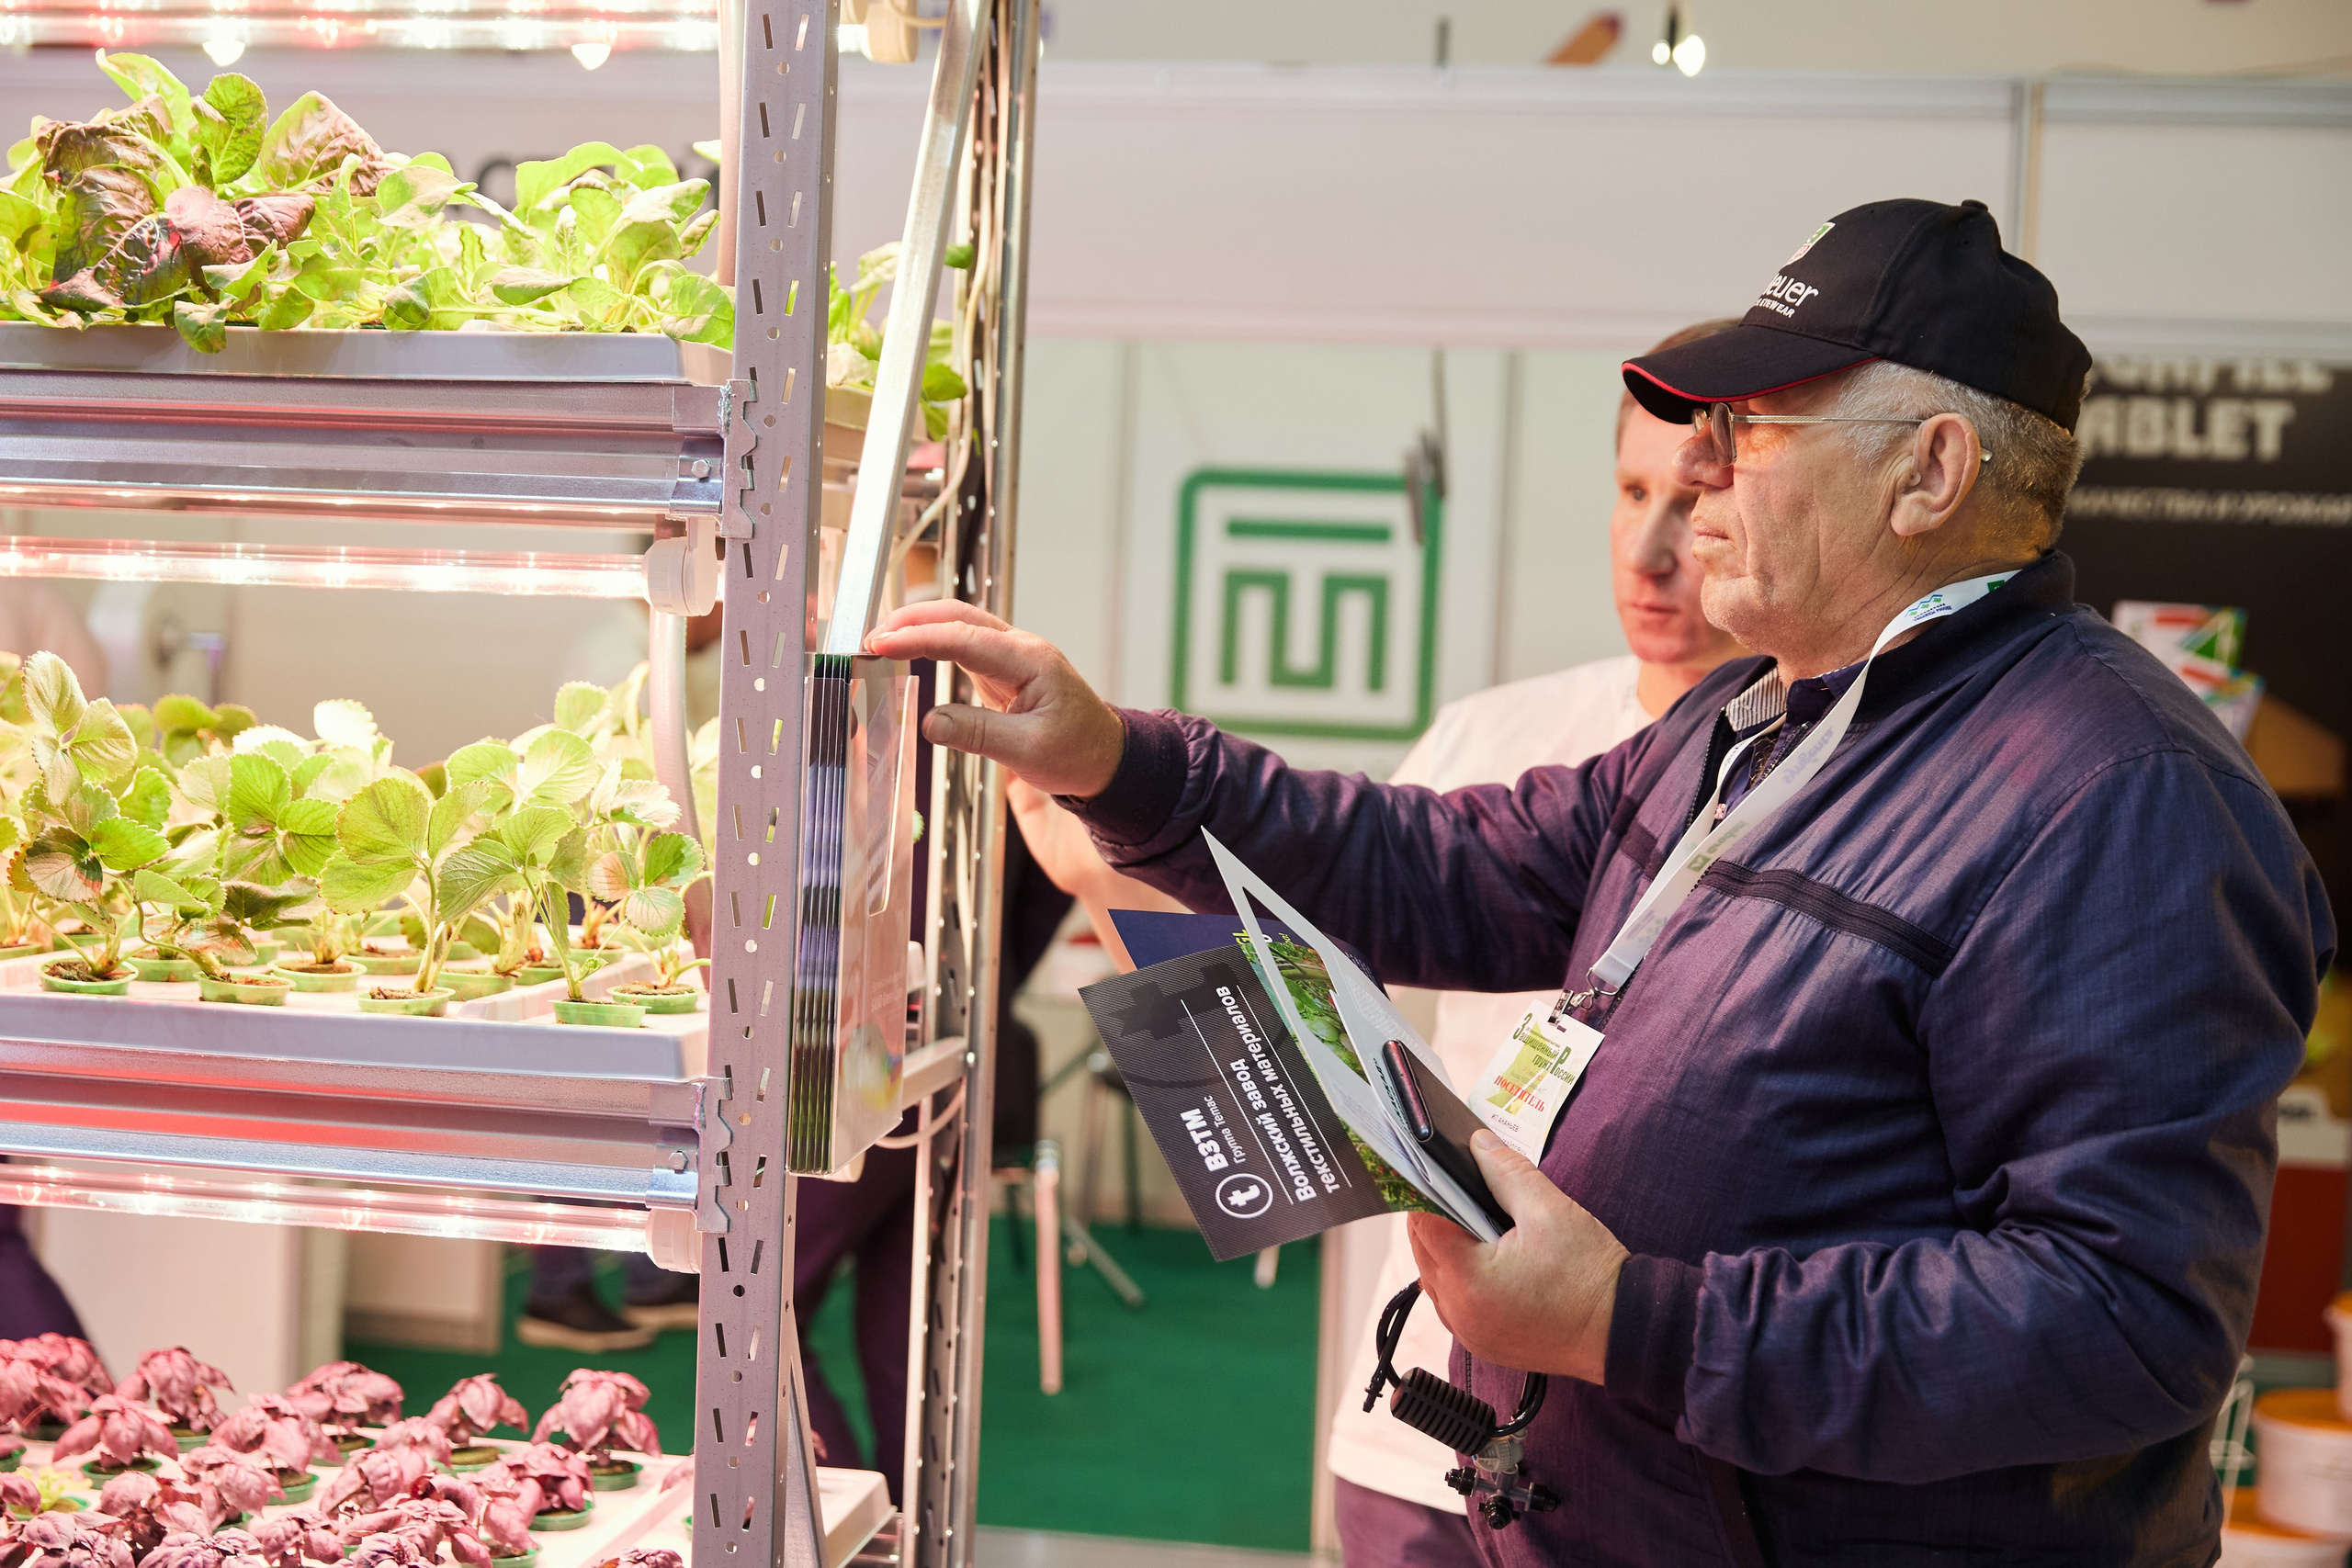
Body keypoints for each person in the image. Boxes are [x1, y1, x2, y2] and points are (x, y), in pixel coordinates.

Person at [865, 198, 2334, 1563]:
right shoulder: (1758, 716)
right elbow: (1440, 862)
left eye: (1751, 429)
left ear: (1930, 472)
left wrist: (1636, 1322)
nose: (1698, 477)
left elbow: (2121, 1320)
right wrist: (1120, 760)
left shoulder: (2119, 798)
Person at [1009, 320, 1749, 1565]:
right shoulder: (1488, 739)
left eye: (1702, 503)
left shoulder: (1816, 792)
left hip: (1660, 1460)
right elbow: (1310, 1072)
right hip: (1416, 1425)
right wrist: (1112, 881)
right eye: (1631, 490)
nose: (1654, 548)